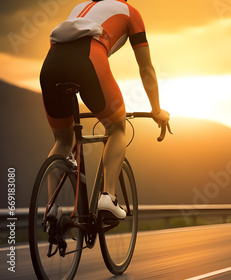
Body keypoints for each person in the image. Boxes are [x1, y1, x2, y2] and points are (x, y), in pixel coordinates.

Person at [40, 0, 170, 219]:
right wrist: (156, 109)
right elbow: (146, 68)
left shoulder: (80, 7)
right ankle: (108, 196)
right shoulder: (131, 12)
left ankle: (50, 208)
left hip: (50, 65)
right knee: (117, 128)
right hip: (88, 60)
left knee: (62, 141)